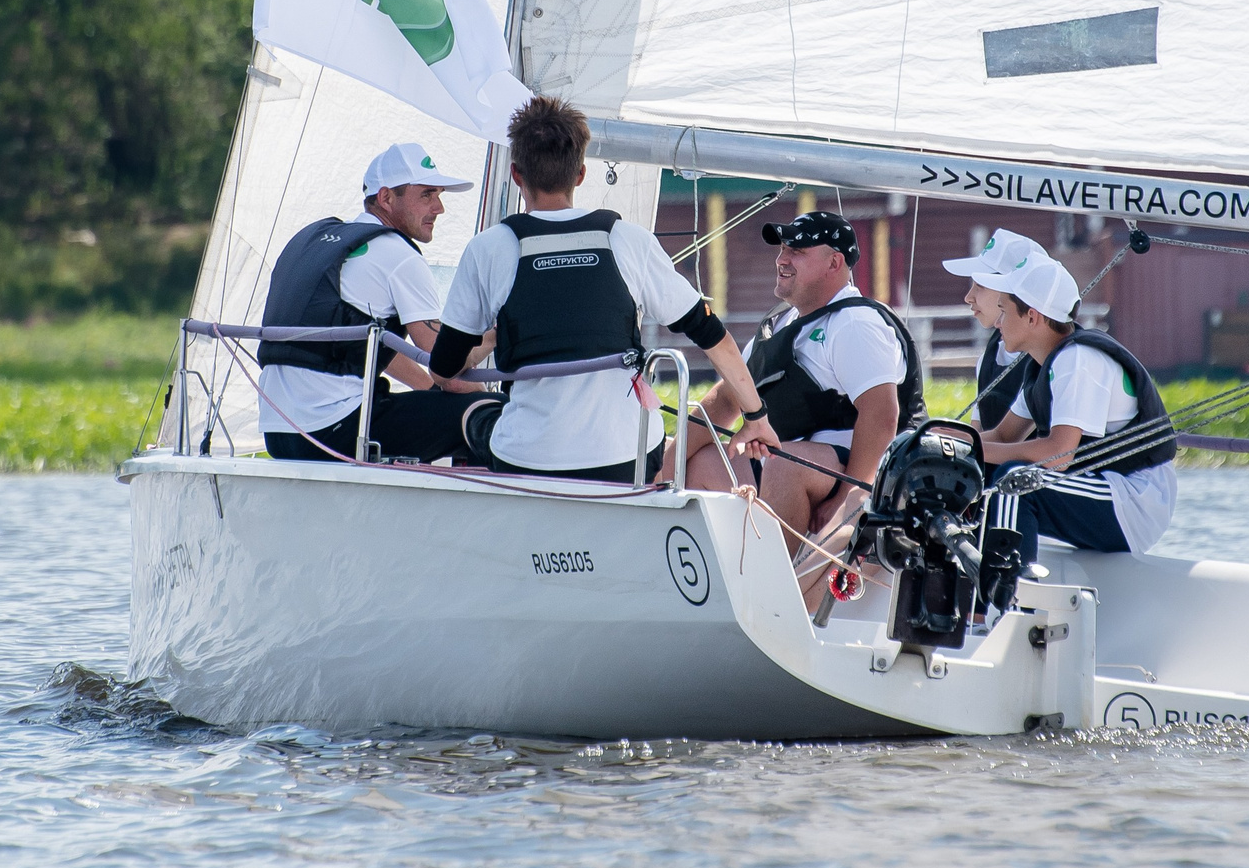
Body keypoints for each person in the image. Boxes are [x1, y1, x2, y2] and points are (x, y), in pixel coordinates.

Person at [430, 97, 778, 481]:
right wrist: (757, 416)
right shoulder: (628, 239)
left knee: (471, 413)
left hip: (530, 459)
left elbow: (444, 369)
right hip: (627, 457)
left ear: (515, 174)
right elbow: (715, 337)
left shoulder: (487, 248)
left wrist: (499, 336)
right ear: (580, 174)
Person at [688, 210, 924, 538]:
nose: (781, 260)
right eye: (782, 249)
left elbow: (882, 415)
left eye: (797, 251)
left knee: (785, 464)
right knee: (701, 462)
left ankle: (775, 568)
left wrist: (846, 498)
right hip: (793, 459)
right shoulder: (780, 323)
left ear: (834, 263)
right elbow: (728, 398)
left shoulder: (855, 324)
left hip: (867, 474)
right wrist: (664, 466)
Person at [258, 143, 489, 463]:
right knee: (488, 413)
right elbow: (445, 366)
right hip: (337, 431)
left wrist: (429, 392)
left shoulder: (315, 238)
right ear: (386, 198)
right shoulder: (399, 255)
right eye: (427, 195)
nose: (439, 208)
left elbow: (365, 343)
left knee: (438, 405)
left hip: (277, 432)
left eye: (439, 195)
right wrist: (491, 354)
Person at [975, 252, 1177, 570]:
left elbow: (1058, 455)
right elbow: (1002, 436)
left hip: (1135, 500)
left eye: (1003, 311)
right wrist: (951, 445)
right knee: (975, 474)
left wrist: (975, 450)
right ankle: (968, 583)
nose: (998, 323)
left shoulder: (1078, 359)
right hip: (1103, 487)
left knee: (1015, 483)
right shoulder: (1041, 365)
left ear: (1032, 316)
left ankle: (1012, 591)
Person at [940, 228, 1047, 429]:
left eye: (980, 286)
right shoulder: (988, 359)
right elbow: (978, 435)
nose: (968, 297)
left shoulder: (1055, 360)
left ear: (1014, 289)